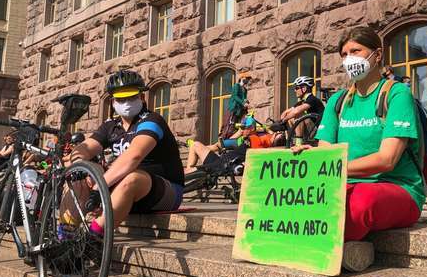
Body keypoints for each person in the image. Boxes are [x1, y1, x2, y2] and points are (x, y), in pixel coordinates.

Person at [307, 26, 424, 273]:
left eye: (356, 51)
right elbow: (326, 154)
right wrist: (310, 159)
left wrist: (335, 168)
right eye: (344, 54)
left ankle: (321, 246)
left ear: (377, 55)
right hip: (345, 186)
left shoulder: (397, 93)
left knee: (361, 202)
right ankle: (348, 247)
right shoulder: (337, 101)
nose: (349, 59)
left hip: (397, 188)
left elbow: (387, 160)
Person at [70, 70, 184, 233]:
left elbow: (134, 156)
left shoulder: (152, 120)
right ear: (113, 102)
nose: (127, 103)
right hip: (123, 189)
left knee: (132, 178)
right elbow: (84, 148)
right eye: (121, 99)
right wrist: (80, 167)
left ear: (142, 97)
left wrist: (98, 187)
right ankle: (65, 234)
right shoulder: (110, 125)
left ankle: (94, 235)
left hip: (165, 191)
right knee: (79, 180)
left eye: (132, 97)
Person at [185, 116, 280, 173]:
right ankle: (190, 170)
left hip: (222, 165)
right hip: (220, 160)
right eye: (241, 128)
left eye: (244, 128)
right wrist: (240, 132)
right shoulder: (246, 139)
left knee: (189, 171)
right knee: (195, 145)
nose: (242, 130)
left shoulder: (255, 139)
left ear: (251, 128)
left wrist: (273, 137)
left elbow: (257, 156)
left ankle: (189, 174)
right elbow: (227, 142)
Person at [279, 76, 325, 141]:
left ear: (304, 89)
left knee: (298, 115)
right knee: (290, 116)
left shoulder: (312, 99)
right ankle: (292, 140)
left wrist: (284, 120)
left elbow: (296, 112)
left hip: (319, 130)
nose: (295, 90)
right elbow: (286, 112)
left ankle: (299, 141)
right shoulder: (302, 101)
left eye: (297, 88)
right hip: (310, 130)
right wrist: (281, 121)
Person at [222, 72, 251, 138]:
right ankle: (225, 137)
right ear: (242, 78)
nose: (247, 80)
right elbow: (235, 96)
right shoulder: (236, 86)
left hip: (241, 110)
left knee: (243, 123)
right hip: (234, 108)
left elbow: (244, 98)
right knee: (231, 124)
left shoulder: (245, 90)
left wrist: (246, 101)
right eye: (246, 78)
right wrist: (243, 103)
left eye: (248, 79)